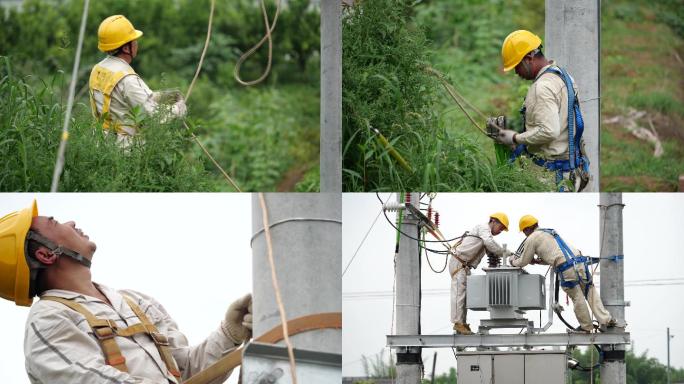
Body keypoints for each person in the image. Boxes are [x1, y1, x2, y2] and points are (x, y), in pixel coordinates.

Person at [0, 200, 251, 383]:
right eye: (54, 223)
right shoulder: (49, 320)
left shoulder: (134, 302)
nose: (71, 222)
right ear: (45, 254)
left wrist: (229, 334)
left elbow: (186, 373)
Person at [487, 29, 590, 192]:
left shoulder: (541, 88)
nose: (516, 72)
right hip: (571, 169)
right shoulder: (563, 75)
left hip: (553, 178)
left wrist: (515, 138)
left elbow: (549, 131)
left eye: (517, 66)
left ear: (528, 59)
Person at [89, 15, 187, 146]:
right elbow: (153, 116)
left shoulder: (98, 69)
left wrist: (162, 96)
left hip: (100, 142)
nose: (136, 43)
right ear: (125, 48)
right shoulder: (127, 79)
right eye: (133, 40)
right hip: (123, 148)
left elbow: (123, 99)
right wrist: (178, 109)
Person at [511, 214, 616, 332]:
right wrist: (538, 262)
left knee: (577, 297)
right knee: (590, 292)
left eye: (524, 231)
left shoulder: (532, 238)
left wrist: (513, 262)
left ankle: (586, 327)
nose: (525, 234)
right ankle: (606, 319)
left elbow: (523, 261)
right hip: (579, 262)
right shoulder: (549, 232)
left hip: (567, 269)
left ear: (527, 229)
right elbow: (556, 255)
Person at [450, 213, 512, 335]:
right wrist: (506, 253)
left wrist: (507, 256)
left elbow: (491, 250)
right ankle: (458, 323)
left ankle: (462, 323)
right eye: (501, 228)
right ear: (494, 221)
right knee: (459, 293)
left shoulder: (485, 235)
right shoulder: (483, 228)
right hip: (459, 263)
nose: (500, 231)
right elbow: (490, 244)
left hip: (464, 265)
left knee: (464, 296)